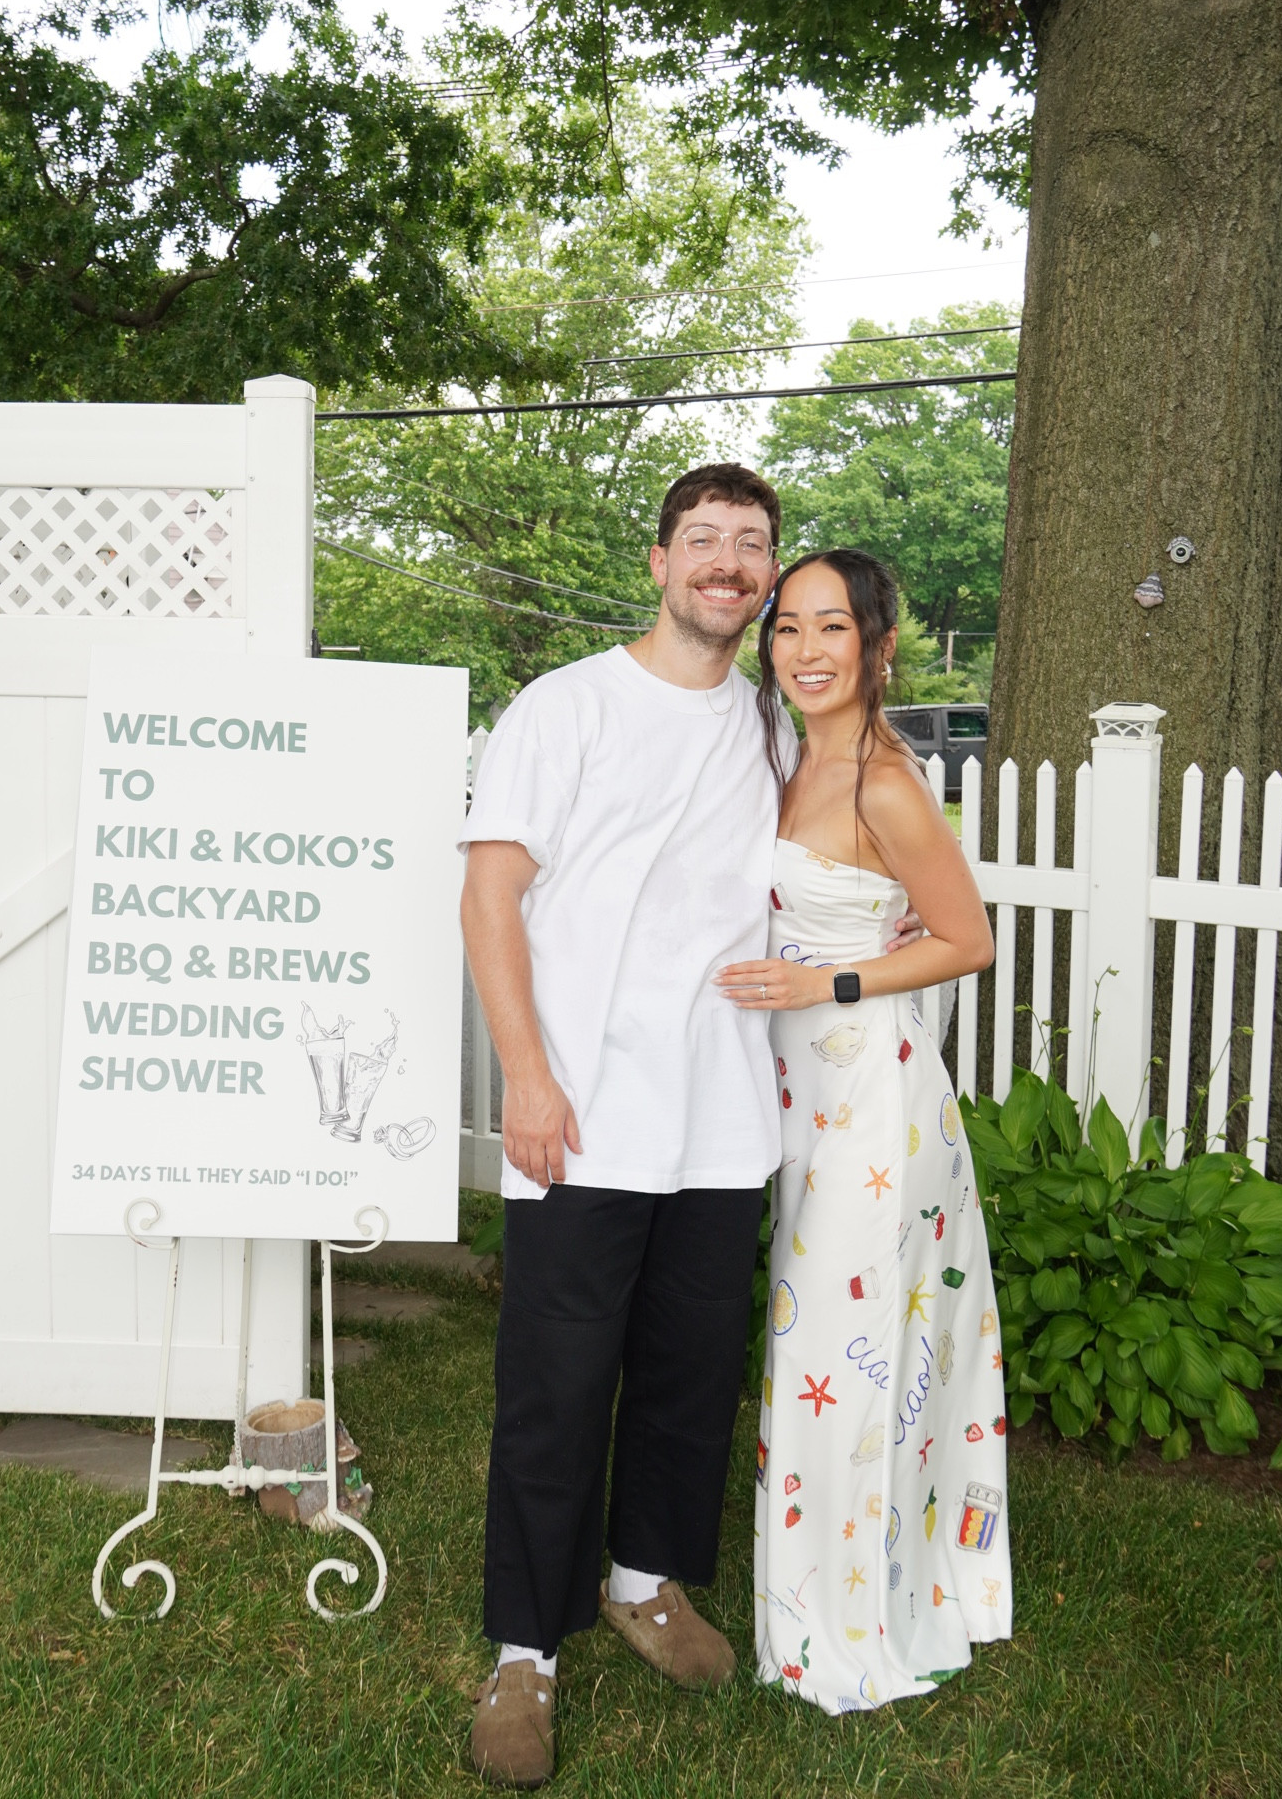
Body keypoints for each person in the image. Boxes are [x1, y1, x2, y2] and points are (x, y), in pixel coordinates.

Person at [458, 469, 919, 1788]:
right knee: (554, 1391)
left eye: (751, 547)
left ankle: (644, 1582)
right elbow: (491, 899)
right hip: (584, 1117)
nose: (728, 564)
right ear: (660, 561)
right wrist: (527, 1076)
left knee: (685, 1376)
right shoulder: (565, 709)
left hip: (728, 1116)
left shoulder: (773, 734)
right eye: (704, 541)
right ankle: (524, 1653)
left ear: (768, 580)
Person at [714, 548, 1014, 1712]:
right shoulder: (784, 756)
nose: (803, 650)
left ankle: (843, 1619)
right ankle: (832, 1585)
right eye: (786, 627)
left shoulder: (883, 780)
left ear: (877, 645)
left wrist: (826, 984)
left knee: (845, 1354)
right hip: (799, 1100)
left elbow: (965, 938)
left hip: (872, 1104)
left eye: (829, 628)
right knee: (824, 1340)